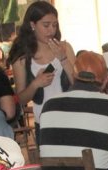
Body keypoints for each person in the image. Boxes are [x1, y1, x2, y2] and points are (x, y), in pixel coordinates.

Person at [8, 1, 75, 143]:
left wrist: (63, 59)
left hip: (72, 117)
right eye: (46, 25)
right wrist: (35, 84)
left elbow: (79, 84)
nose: (51, 30)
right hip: (44, 123)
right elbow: (21, 99)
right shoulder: (22, 57)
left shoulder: (65, 48)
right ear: (32, 25)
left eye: (54, 25)